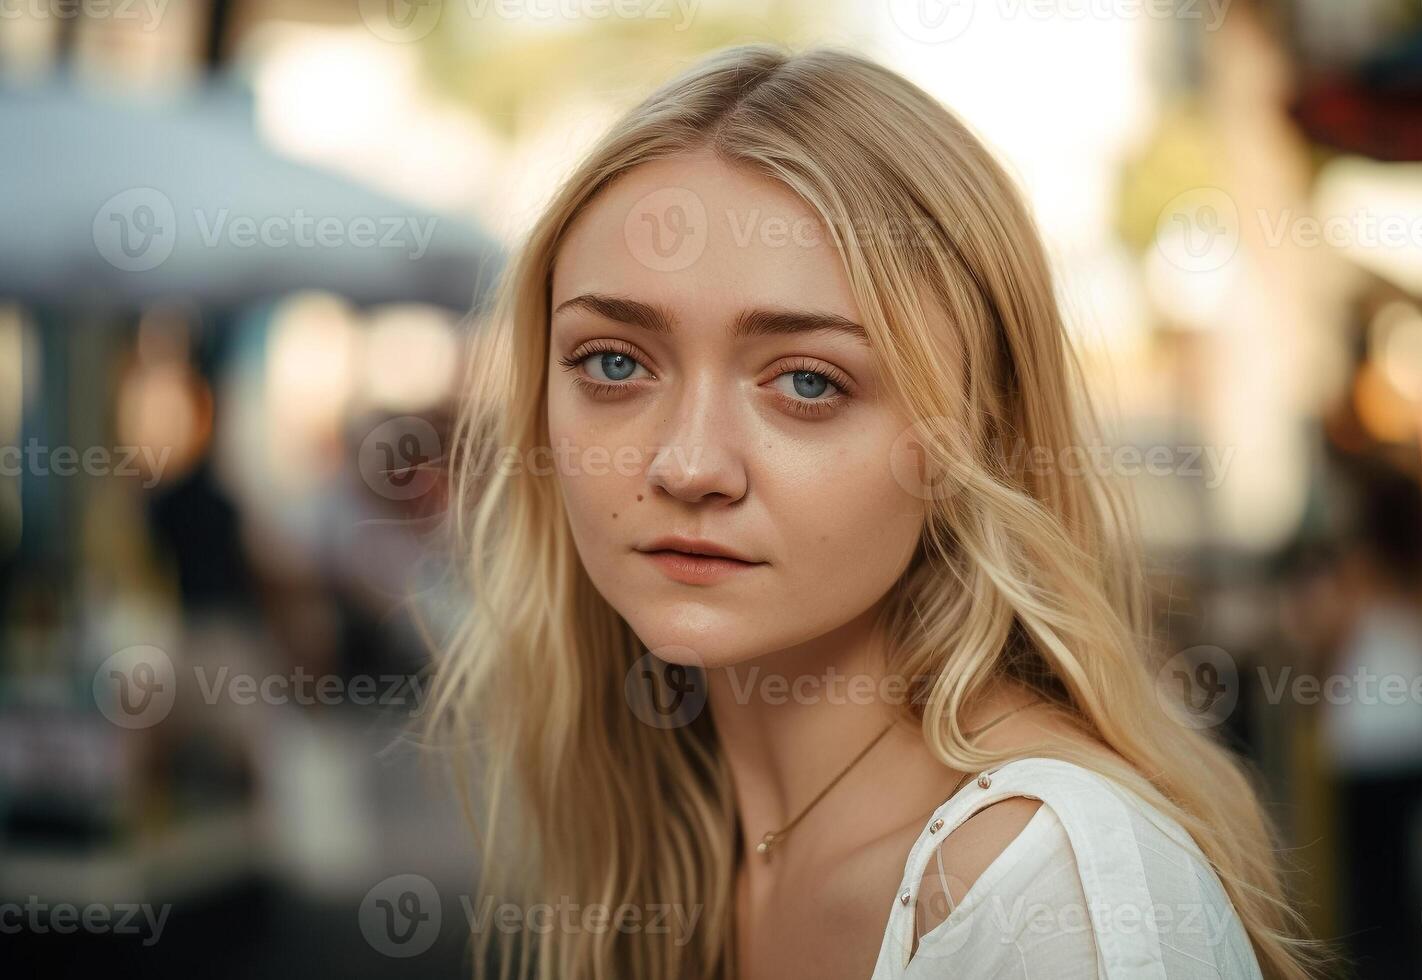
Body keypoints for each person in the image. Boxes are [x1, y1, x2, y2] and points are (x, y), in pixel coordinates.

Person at [424, 43, 1321, 980]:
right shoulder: (673, 834)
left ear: (972, 436)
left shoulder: (1045, 897)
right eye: (613, 362)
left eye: (808, 381)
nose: (688, 464)